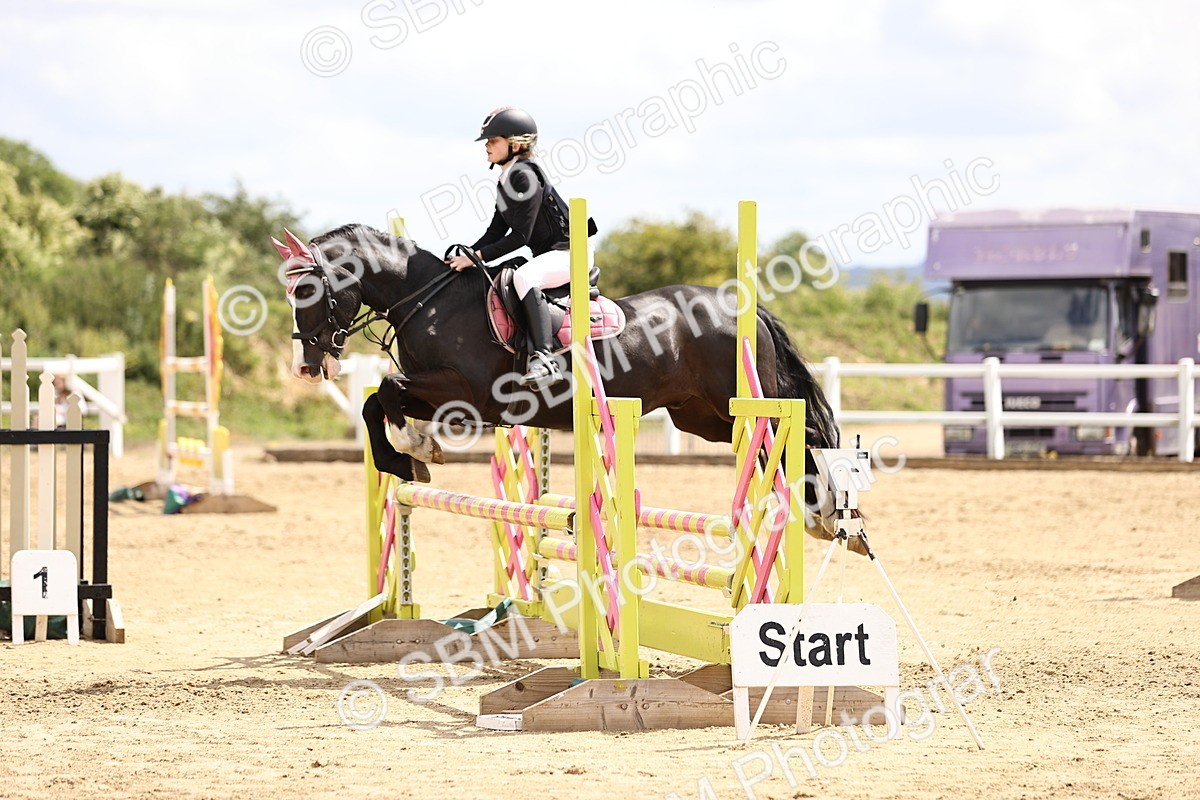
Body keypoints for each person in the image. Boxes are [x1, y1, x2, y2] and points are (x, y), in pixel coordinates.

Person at [445, 107, 596, 390]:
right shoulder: (506, 179)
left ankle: (546, 359)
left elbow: (520, 237)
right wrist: (466, 254)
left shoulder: (524, 175)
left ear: (515, 144)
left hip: (570, 254)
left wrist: (475, 258)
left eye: (493, 141)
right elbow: (495, 232)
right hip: (551, 254)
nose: (487, 146)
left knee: (525, 277)